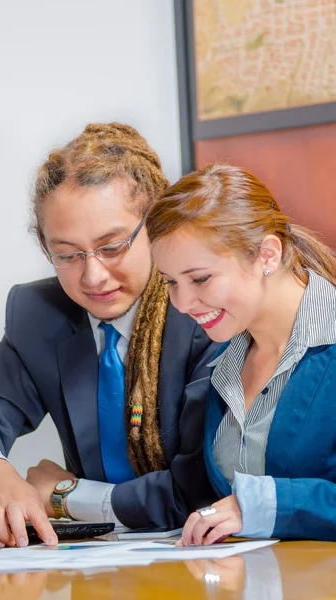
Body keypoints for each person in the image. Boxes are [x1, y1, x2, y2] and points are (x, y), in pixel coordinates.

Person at [0, 123, 217, 549]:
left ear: (156, 224)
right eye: (66, 254)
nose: (92, 275)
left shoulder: (206, 311)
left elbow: (199, 486)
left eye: (111, 246)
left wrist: (67, 497)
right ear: (43, 244)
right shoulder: (38, 315)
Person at [146, 162, 336, 544]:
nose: (182, 303)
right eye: (171, 282)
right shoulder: (223, 363)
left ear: (267, 255)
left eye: (200, 278)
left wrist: (263, 505)